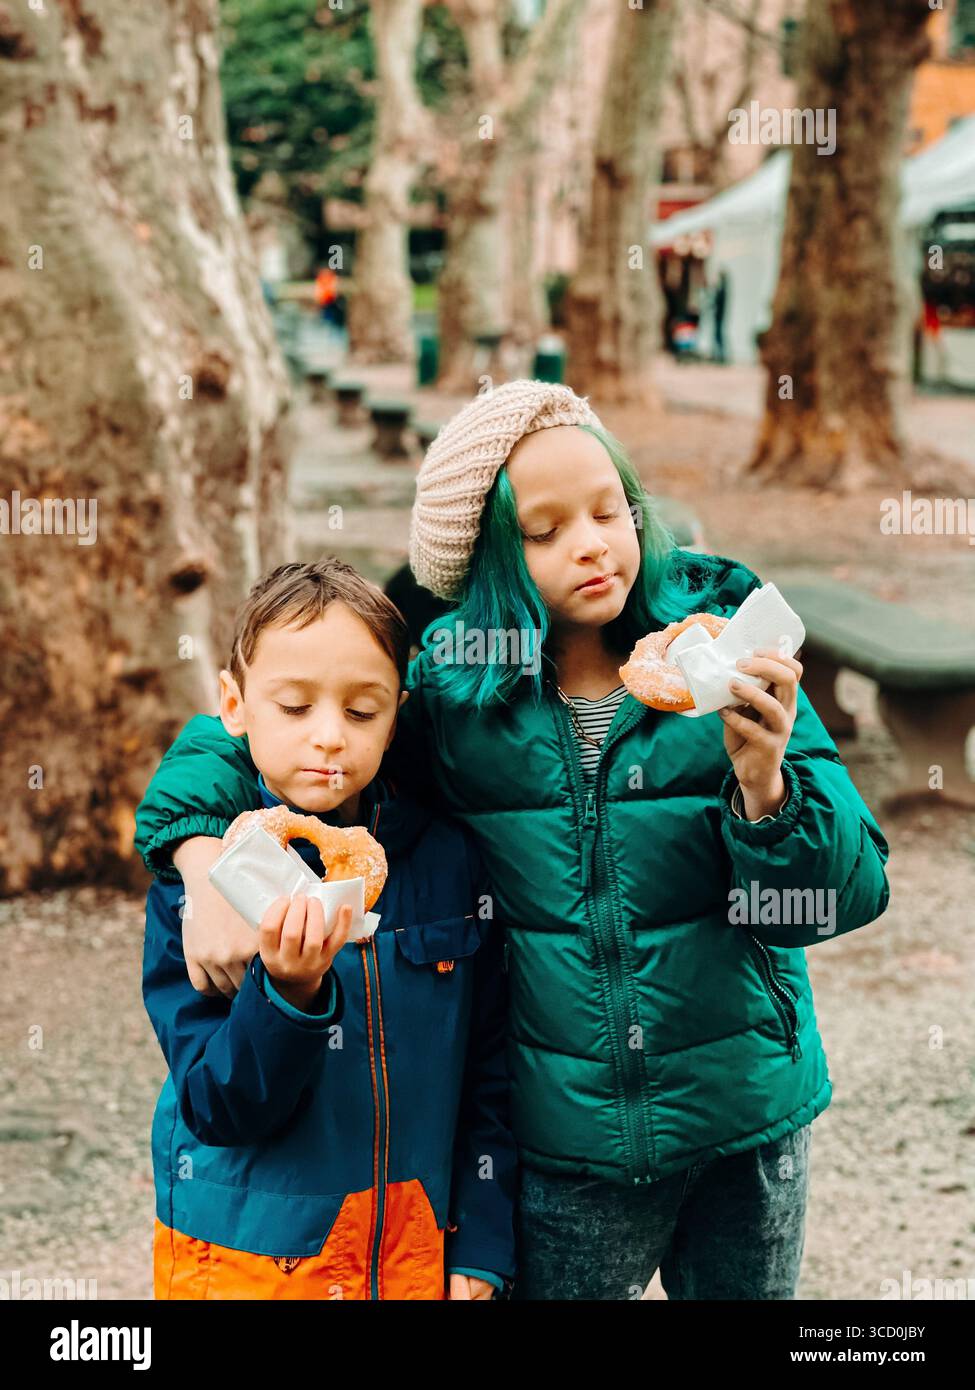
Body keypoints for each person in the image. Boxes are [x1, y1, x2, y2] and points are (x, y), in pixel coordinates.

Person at [135, 381, 891, 1301]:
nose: (590, 543)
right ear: (488, 558)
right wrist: (197, 854)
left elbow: (848, 894)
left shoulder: (727, 654)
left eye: (609, 509)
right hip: (567, 1149)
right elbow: (270, 734)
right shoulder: (451, 696)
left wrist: (765, 782)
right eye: (542, 531)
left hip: (748, 1118)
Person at [141, 559, 516, 1300]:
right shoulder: (204, 885)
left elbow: (491, 1067)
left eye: (360, 710)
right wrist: (288, 994)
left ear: (397, 712)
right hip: (252, 1264)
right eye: (293, 706)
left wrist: (481, 1241)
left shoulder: (447, 862)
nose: (328, 738)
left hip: (413, 1252)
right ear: (234, 703)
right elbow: (220, 1104)